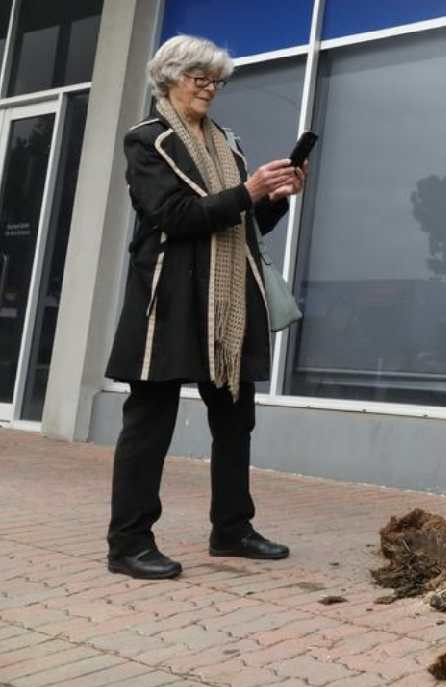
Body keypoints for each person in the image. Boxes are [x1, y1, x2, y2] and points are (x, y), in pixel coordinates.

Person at [104, 35, 306, 580]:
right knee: (150, 421)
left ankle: (232, 529)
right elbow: (175, 215)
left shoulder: (227, 143)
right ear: (170, 76)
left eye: (217, 81)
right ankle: (129, 543)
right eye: (201, 79)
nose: (211, 90)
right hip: (170, 298)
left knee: (236, 417)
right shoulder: (147, 140)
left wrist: (273, 198)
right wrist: (247, 191)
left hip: (227, 302)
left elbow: (245, 228)